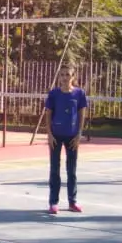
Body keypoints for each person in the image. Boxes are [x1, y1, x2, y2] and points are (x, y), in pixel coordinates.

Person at [44, 65, 88, 215]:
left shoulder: (79, 94)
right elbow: (48, 114)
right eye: (62, 75)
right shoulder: (53, 94)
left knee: (71, 170)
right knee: (55, 170)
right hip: (56, 136)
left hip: (72, 137)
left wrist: (79, 135)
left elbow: (81, 114)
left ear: (73, 77)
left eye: (67, 74)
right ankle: (53, 202)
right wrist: (49, 134)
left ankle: (72, 202)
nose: (64, 77)